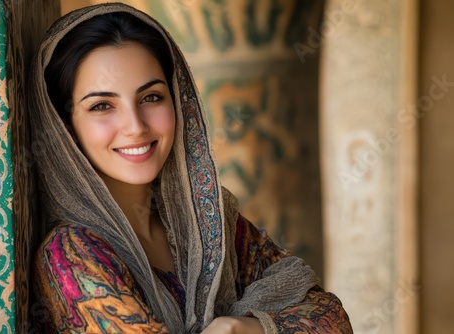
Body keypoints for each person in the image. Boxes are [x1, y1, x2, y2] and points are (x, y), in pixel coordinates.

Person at [29, 3, 352, 333]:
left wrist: (241, 328)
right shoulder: (71, 257)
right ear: (63, 127)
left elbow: (330, 317)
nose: (135, 126)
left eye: (151, 97)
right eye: (102, 106)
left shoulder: (208, 221)